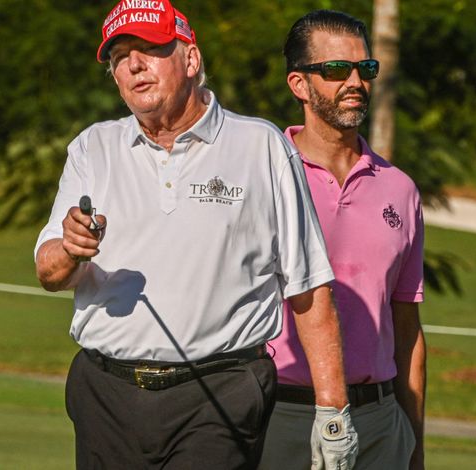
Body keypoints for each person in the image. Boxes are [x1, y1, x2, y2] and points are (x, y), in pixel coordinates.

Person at [34, 1, 358, 468]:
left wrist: (332, 410)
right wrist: (70, 249)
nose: (133, 65)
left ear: (190, 60)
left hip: (221, 389)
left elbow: (309, 286)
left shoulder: (261, 146)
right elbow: (48, 273)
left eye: (149, 49)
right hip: (106, 393)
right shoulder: (92, 146)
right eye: (119, 56)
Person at [260, 9, 426, 470]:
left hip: (380, 422)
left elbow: (408, 331)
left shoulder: (401, 189)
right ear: (299, 84)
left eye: (365, 68)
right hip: (281, 416)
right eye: (336, 70)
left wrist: (414, 446)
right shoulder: (261, 176)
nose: (355, 80)